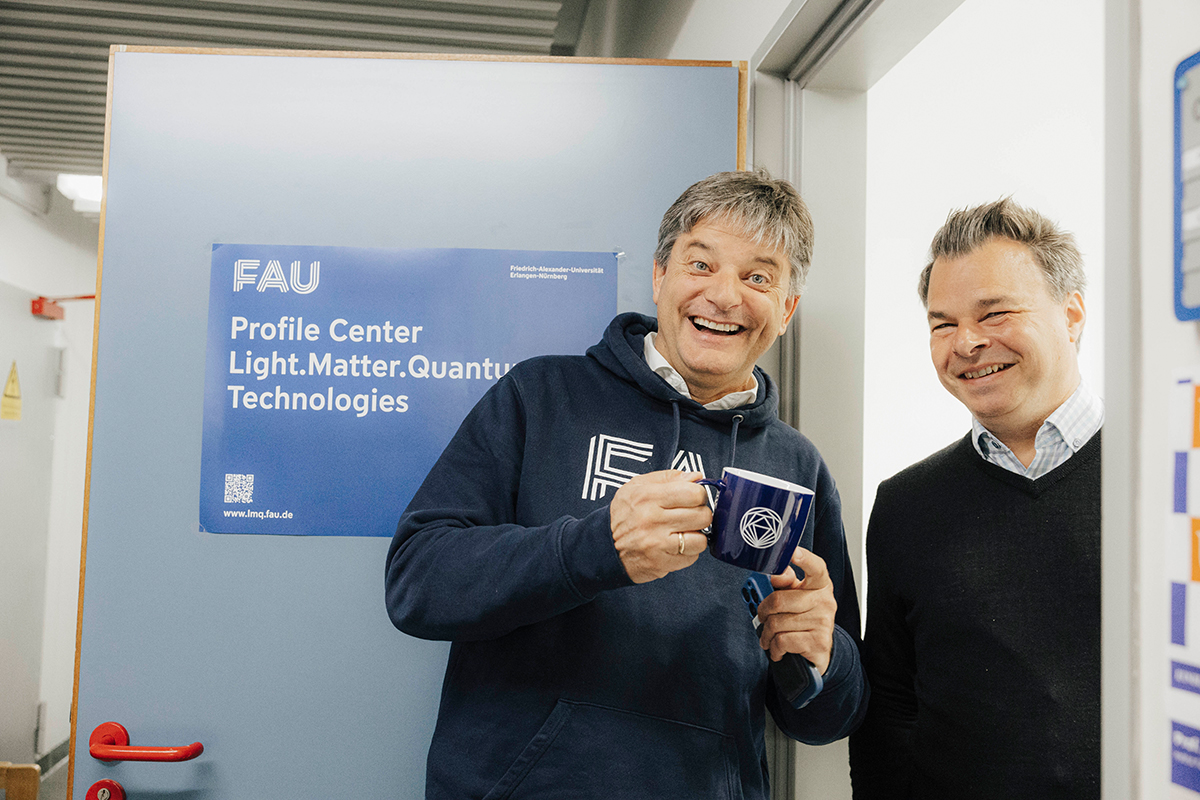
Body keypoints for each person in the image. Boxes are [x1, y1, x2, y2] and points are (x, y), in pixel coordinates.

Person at [386, 169, 868, 799]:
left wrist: (821, 655)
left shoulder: (796, 466)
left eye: (758, 277)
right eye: (701, 264)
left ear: (785, 310)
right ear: (660, 276)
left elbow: (827, 718)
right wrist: (595, 548)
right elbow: (417, 584)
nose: (724, 296)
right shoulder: (541, 396)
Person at [848, 198, 1101, 798]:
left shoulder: (1170, 482)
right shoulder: (905, 506)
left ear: (1072, 315)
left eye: (995, 314)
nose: (966, 343)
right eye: (942, 323)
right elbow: (887, 710)